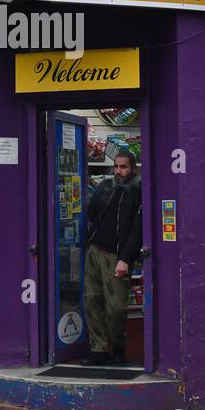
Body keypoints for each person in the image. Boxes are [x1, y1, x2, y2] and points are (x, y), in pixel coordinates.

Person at [82, 149, 143, 366]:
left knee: (116, 307)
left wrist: (126, 258)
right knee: (92, 301)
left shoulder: (139, 191)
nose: (118, 171)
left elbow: (138, 230)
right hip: (95, 251)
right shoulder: (106, 186)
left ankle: (118, 347)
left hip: (117, 256)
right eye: (116, 166)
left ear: (132, 168)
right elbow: (91, 212)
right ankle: (98, 350)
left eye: (123, 166)